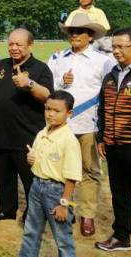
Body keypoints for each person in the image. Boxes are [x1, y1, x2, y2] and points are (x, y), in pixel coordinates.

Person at [48, 14, 114, 236]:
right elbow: (50, 88)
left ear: (91, 35)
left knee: (89, 171)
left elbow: (111, 90)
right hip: (61, 126)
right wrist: (61, 82)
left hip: (89, 125)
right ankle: (64, 207)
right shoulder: (57, 58)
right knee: (59, 169)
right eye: (71, 31)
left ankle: (87, 215)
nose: (74, 35)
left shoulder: (104, 61)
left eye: (80, 31)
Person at [8, 90, 82, 257]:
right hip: (37, 186)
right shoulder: (42, 132)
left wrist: (64, 203)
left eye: (57, 111)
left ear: (69, 113)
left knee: (63, 238)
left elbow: (72, 176)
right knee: (31, 229)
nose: (50, 114)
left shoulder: (69, 140)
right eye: (48, 109)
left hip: (57, 192)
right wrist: (32, 160)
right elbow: (38, 158)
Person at [0, 29, 54, 223]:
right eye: (11, 44)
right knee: (4, 178)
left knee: (31, 181)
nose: (13, 48)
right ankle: (6, 210)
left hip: (28, 137)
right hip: (2, 134)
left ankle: (33, 215)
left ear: (30, 45)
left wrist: (30, 83)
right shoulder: (0, 66)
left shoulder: (40, 69)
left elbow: (48, 96)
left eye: (19, 44)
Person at [95, 27, 131, 257]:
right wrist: (102, 138)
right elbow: (103, 109)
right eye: (113, 47)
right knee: (119, 194)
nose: (115, 51)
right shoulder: (111, 75)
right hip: (114, 146)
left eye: (120, 47)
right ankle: (121, 236)